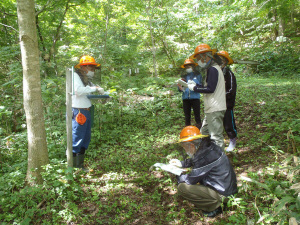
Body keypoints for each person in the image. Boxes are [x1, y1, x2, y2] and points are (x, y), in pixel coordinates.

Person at [170, 126, 238, 217]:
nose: (185, 150)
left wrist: (178, 173)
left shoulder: (204, 156)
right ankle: (217, 201)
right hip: (226, 188)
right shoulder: (207, 148)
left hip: (224, 194)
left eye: (184, 146)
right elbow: (196, 160)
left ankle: (216, 206)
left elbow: (190, 180)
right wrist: (181, 163)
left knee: (182, 187)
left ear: (191, 145)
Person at [187, 44, 226, 150]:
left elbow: (210, 89)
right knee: (204, 132)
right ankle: (207, 155)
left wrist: (194, 89)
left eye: (199, 58)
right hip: (211, 108)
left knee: (216, 137)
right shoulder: (212, 69)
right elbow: (208, 86)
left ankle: (220, 162)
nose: (198, 61)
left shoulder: (213, 69)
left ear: (206, 56)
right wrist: (195, 86)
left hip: (215, 108)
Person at [72, 55, 105, 170]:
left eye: (94, 69)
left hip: (87, 110)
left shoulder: (86, 79)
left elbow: (90, 92)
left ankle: (80, 166)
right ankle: (74, 168)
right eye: (92, 69)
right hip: (78, 111)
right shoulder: (75, 76)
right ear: (84, 67)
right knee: (77, 139)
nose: (93, 71)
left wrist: (103, 94)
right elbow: (78, 91)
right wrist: (95, 89)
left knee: (85, 138)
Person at [217, 51, 237, 152]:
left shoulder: (229, 73)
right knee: (217, 124)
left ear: (225, 61)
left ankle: (232, 140)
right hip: (216, 104)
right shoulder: (215, 72)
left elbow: (231, 89)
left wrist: (222, 95)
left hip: (227, 104)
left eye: (221, 59)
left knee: (229, 123)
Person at [177, 59, 202, 129]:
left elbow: (201, 85)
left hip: (195, 98)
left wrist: (195, 84)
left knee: (197, 115)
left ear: (193, 66)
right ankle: (187, 131)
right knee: (187, 116)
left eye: (189, 66)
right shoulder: (184, 76)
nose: (188, 68)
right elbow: (180, 90)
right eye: (186, 67)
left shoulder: (198, 75)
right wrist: (179, 86)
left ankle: (200, 130)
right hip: (185, 98)